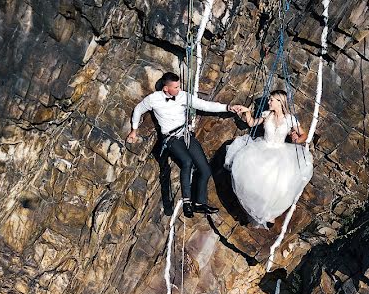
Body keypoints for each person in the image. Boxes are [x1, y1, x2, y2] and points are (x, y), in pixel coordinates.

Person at [127, 72, 246, 218]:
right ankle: (187, 202)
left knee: (205, 169)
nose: (179, 89)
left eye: (179, 86)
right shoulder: (153, 99)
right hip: (170, 138)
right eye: (176, 87)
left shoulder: (183, 96)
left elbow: (205, 105)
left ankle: (200, 204)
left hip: (185, 135)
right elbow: (138, 110)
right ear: (166, 88)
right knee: (187, 162)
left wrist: (229, 108)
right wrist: (134, 131)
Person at [224, 90, 314, 227]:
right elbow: (252, 123)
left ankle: (270, 214)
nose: (268, 102)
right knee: (255, 181)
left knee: (278, 185)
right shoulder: (267, 115)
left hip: (281, 152)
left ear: (279, 102)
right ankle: (258, 211)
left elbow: (304, 135)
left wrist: (296, 141)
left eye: (271, 100)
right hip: (263, 148)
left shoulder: (290, 119)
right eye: (269, 100)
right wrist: (247, 111)